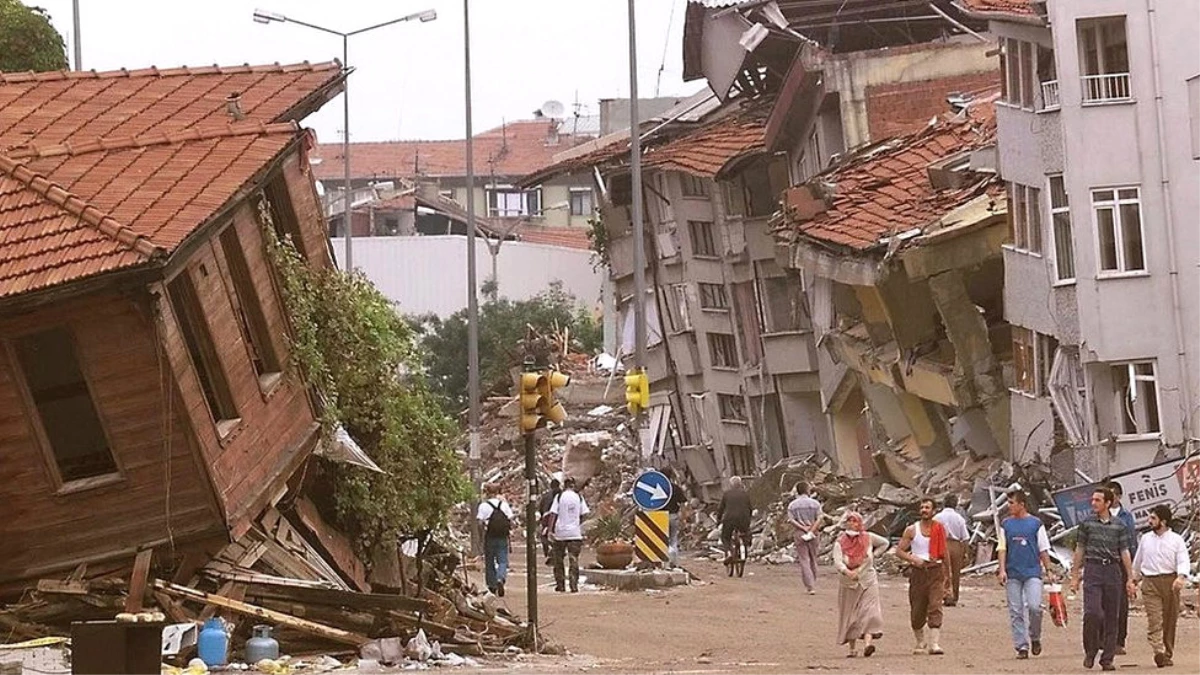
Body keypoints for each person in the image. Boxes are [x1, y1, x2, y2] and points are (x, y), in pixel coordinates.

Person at [1070, 486, 1137, 672]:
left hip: (1112, 571)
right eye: (1092, 500)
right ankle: (1090, 650)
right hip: (1093, 569)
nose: (1093, 503)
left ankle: (1107, 658)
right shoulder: (1087, 523)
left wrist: (1130, 577)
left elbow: (1124, 551)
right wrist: (1075, 575)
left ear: (1108, 503)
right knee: (1093, 612)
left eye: (1098, 500)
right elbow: (1080, 549)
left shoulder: (1119, 525)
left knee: (1111, 616)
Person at [1132, 504, 1190, 668]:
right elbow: (1138, 561)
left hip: (1170, 582)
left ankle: (1167, 652)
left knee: (1169, 620)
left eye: (1153, 518)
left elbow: (1183, 560)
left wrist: (1181, 577)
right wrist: (1133, 580)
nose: (1149, 521)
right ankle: (1158, 650)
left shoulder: (1176, 540)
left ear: (1163, 522)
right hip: (1150, 582)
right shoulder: (1145, 539)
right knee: (1154, 619)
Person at [998, 490, 1052, 659]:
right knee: (1016, 610)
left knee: (1035, 607)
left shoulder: (1036, 524)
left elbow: (1043, 548)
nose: (1009, 506)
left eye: (1012, 503)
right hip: (1013, 572)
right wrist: (1002, 569)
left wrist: (1049, 569)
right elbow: (1002, 548)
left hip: (1032, 572)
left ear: (1022, 504)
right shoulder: (1005, 524)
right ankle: (1021, 645)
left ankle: (1035, 636)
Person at [833, 511, 889, 658]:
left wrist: (874, 556)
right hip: (848, 581)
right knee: (851, 613)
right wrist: (847, 571)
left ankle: (868, 644)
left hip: (868, 578)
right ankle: (852, 648)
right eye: (849, 521)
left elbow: (885, 543)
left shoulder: (868, 538)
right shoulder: (840, 542)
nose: (852, 524)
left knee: (870, 610)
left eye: (855, 521)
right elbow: (838, 561)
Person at [897, 497, 949, 655]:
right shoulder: (912, 530)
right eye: (922, 508)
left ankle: (934, 644)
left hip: (935, 570)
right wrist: (913, 558)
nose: (924, 510)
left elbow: (944, 553)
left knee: (935, 606)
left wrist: (949, 578)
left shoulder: (939, 529)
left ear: (934, 511)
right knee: (917, 609)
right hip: (918, 573)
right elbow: (899, 551)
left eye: (927, 507)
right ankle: (920, 642)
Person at [1104, 480, 1138, 655]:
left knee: (1121, 604)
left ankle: (1119, 640)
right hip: (1104, 564)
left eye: (1112, 495)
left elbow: (1131, 541)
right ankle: (1104, 638)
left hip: (1122, 564)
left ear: (1118, 496)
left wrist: (1132, 570)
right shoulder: (1100, 515)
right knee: (1103, 602)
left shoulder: (1126, 517)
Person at [548, 476, 589, 593]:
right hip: (575, 533)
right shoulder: (579, 497)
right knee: (574, 559)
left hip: (560, 533)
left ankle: (560, 584)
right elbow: (585, 513)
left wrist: (550, 530)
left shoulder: (559, 497)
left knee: (558, 560)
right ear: (573, 485)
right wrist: (577, 522)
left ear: (564, 485)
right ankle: (573, 584)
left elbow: (553, 514)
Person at [475, 483, 514, 597]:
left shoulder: (483, 506)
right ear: (497, 492)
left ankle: (492, 585)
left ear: (487, 493)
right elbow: (510, 520)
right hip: (502, 536)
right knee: (502, 560)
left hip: (490, 535)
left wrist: (481, 536)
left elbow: (479, 522)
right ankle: (500, 578)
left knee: (490, 561)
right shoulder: (504, 505)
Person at [787, 482, 824, 595]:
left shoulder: (792, 505)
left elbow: (791, 520)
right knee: (813, 558)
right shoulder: (815, 503)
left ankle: (810, 586)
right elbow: (819, 518)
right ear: (807, 490)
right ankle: (813, 579)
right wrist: (812, 529)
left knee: (804, 559)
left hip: (800, 533)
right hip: (814, 533)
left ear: (797, 491)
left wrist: (803, 527)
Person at [935, 495, 971, 606]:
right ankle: (954, 597)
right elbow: (965, 538)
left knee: (942, 571)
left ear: (944, 503)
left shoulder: (937, 517)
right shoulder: (959, 518)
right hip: (956, 545)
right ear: (955, 504)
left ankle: (944, 594)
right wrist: (966, 553)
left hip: (941, 543)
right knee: (956, 573)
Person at [717, 476, 752, 562]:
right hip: (743, 519)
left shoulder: (727, 494)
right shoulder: (745, 494)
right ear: (740, 484)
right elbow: (750, 508)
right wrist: (748, 518)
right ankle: (745, 547)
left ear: (731, 485)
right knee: (745, 533)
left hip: (730, 519)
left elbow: (721, 508)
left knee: (725, 537)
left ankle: (729, 552)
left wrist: (718, 519)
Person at [662, 468, 687, 567]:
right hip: (673, 516)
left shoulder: (657, 488)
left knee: (663, 540)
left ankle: (665, 563)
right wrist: (683, 517)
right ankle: (674, 563)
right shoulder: (675, 488)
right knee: (673, 540)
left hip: (659, 517)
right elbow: (682, 504)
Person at [537, 478, 561, 564]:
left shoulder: (546, 496)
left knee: (544, 536)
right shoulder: (562, 494)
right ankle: (556, 551)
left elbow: (540, 508)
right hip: (559, 518)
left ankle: (548, 552)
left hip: (547, 518)